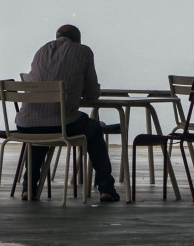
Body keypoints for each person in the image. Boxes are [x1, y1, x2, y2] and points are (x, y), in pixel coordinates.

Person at [15, 24, 119, 202]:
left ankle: (28, 189)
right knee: (94, 129)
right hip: (62, 124)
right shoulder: (83, 51)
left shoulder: (41, 51)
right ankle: (106, 188)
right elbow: (92, 93)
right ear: (78, 39)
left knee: (39, 135)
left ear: (56, 37)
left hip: (26, 124)